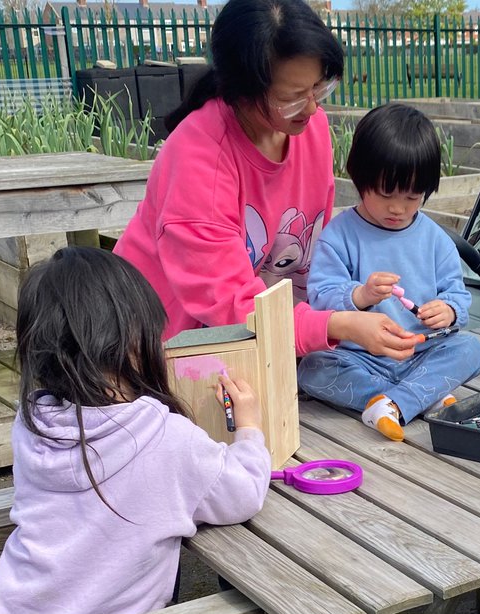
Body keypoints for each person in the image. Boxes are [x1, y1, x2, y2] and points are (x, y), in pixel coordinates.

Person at [0, 248, 306, 614]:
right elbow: (243, 493)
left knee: (152, 600)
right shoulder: (162, 436)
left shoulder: (34, 422)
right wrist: (248, 429)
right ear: (132, 341)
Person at [114, 0, 418, 362]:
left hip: (266, 340)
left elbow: (313, 252)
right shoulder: (201, 161)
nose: (311, 109)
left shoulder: (311, 130)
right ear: (242, 89)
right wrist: (337, 326)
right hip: (160, 351)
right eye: (290, 98)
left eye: (320, 87)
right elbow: (232, 308)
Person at [297, 103, 480, 442]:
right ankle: (415, 396)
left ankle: (394, 402)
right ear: (359, 179)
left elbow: (457, 295)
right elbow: (321, 297)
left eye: (413, 197)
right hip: (359, 358)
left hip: (422, 352)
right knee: (312, 367)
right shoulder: (339, 235)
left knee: (470, 349)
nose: (398, 208)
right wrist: (360, 295)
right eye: (386, 195)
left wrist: (448, 310)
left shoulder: (435, 239)